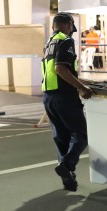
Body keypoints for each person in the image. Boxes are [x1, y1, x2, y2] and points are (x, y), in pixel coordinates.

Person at [41, 12, 95, 191]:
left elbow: (62, 71)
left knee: (61, 138)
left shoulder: (50, 42)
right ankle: (66, 166)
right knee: (81, 135)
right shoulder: (66, 41)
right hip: (64, 97)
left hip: (48, 97)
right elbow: (60, 69)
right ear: (69, 25)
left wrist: (83, 82)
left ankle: (68, 179)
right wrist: (81, 88)